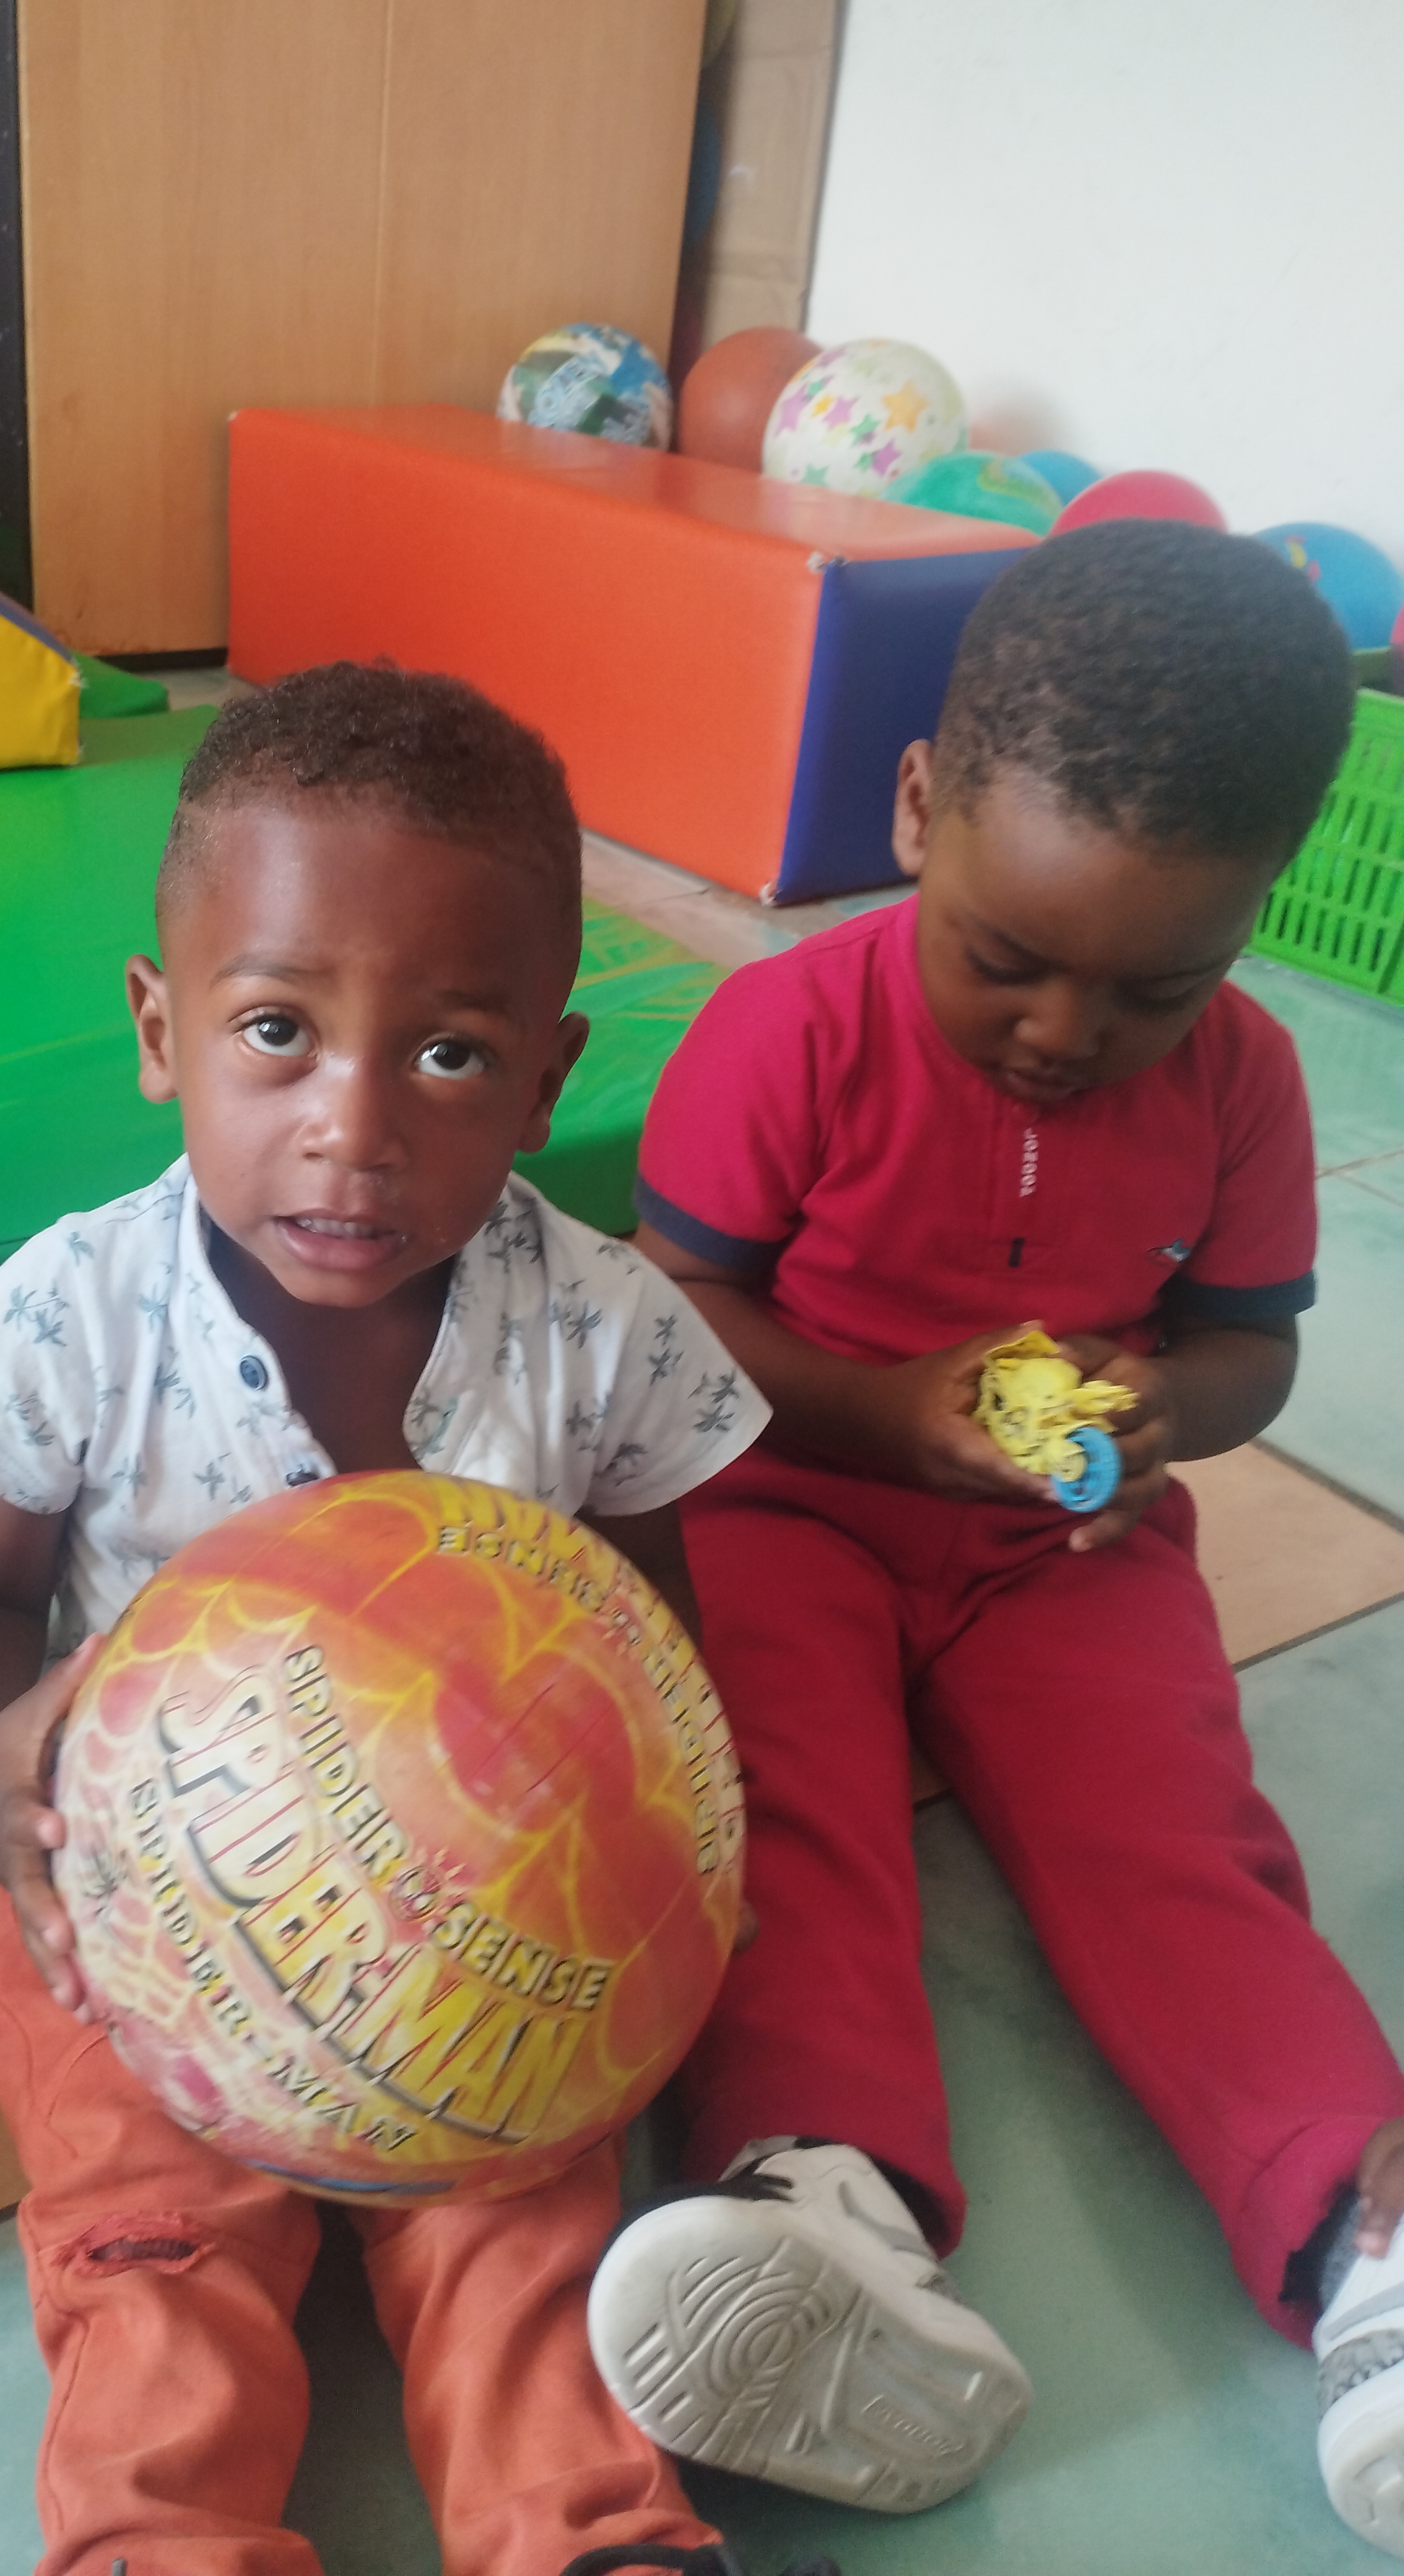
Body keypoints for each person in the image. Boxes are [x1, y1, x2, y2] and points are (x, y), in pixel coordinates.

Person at [0, 664, 819, 2576]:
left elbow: (647, 1611)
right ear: (162, 1031)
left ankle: (584, 2528)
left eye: (449, 1056)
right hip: (126, 1914)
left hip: (492, 1917)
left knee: (524, 2221)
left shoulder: (598, 1325)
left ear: (549, 1078)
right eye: (279, 1033)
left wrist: (672, 1853)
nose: (354, 1126)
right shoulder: (81, 1310)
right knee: (151, 2240)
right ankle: (158, 2539)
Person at [584, 522, 1404, 2555]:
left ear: (1251, 917)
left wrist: (1166, 1412)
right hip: (786, 1494)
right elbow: (674, 1313)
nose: (1063, 1032)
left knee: (1170, 1830)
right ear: (917, 810)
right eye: (1007, 957)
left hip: (1068, 1544)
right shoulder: (789, 1029)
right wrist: (890, 1416)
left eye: (1155, 987)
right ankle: (822, 2192)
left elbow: (1253, 1350)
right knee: (782, 1805)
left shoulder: (1248, 1083)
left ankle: (1361, 2232)